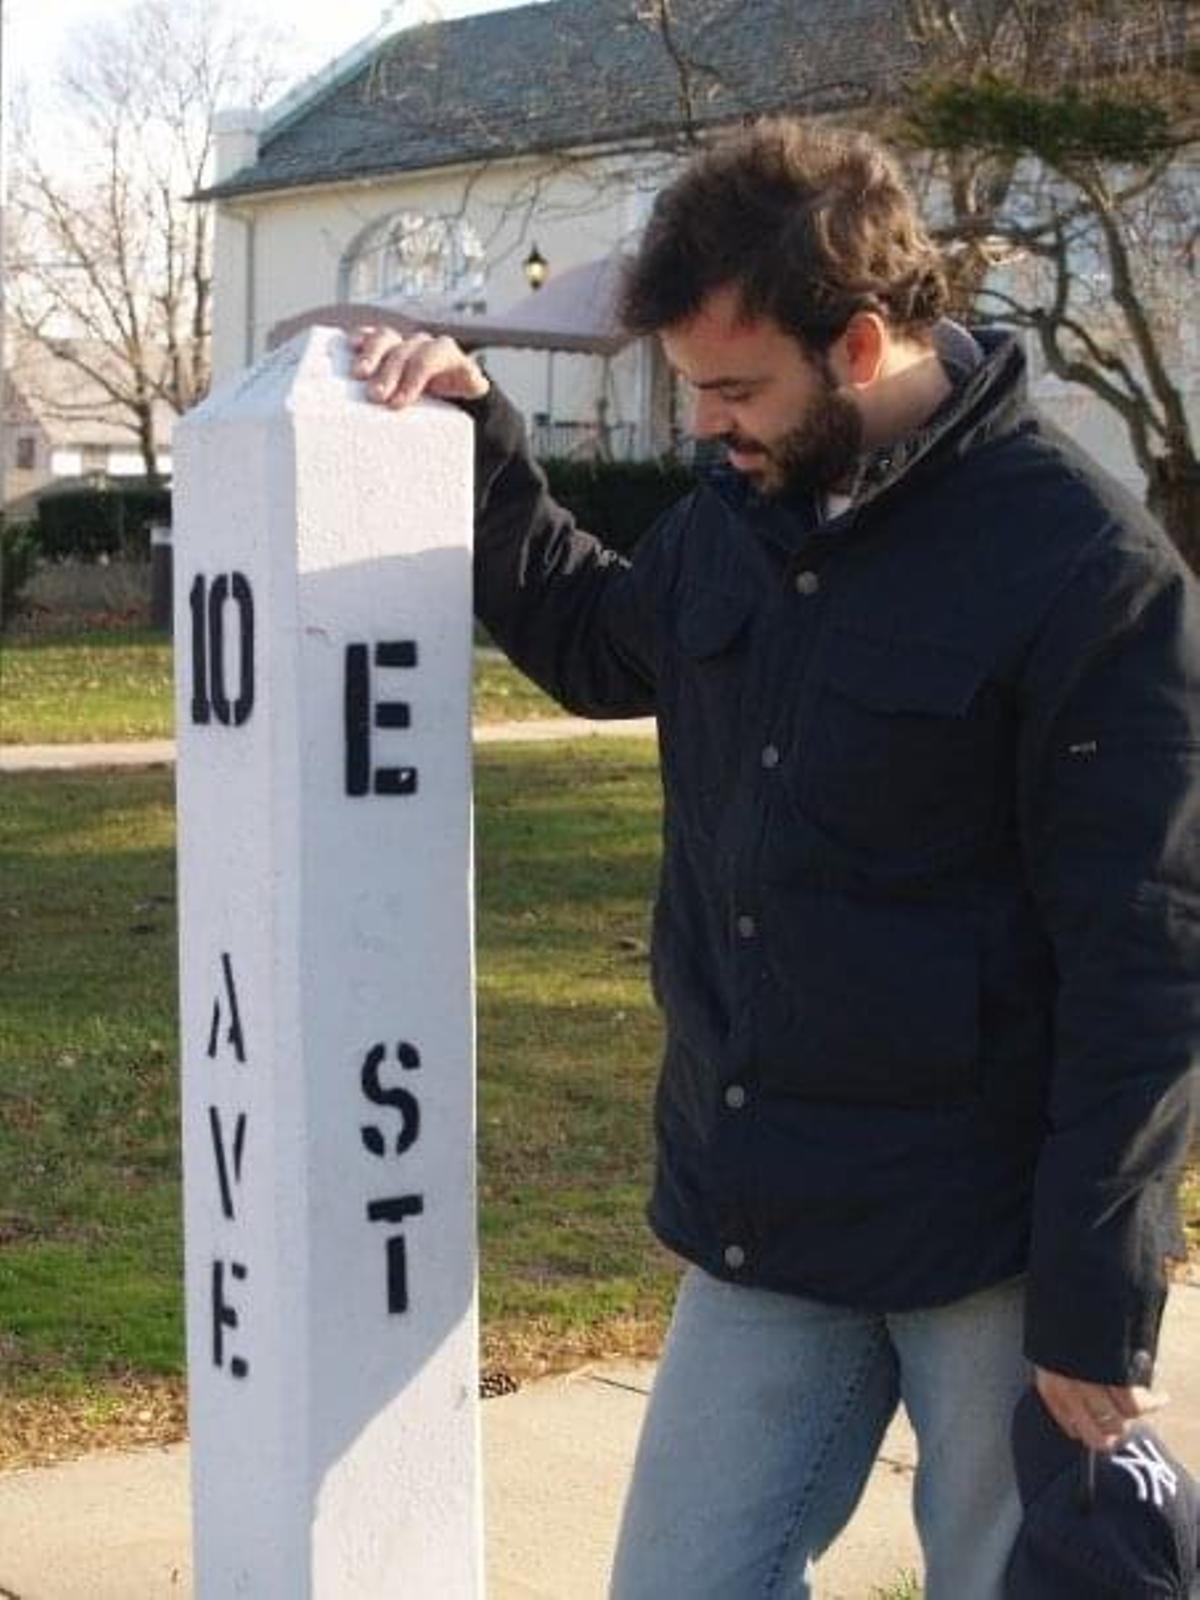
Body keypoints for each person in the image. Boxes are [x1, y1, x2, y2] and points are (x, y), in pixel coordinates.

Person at [353, 119, 1200, 1599]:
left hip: (990, 1240)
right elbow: (599, 637)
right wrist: (479, 439)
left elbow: (1150, 955)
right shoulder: (738, 519)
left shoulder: (1090, 573)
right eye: (690, 390)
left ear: (863, 341)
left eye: (735, 390)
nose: (704, 429)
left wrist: (1098, 1298)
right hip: (770, 1215)